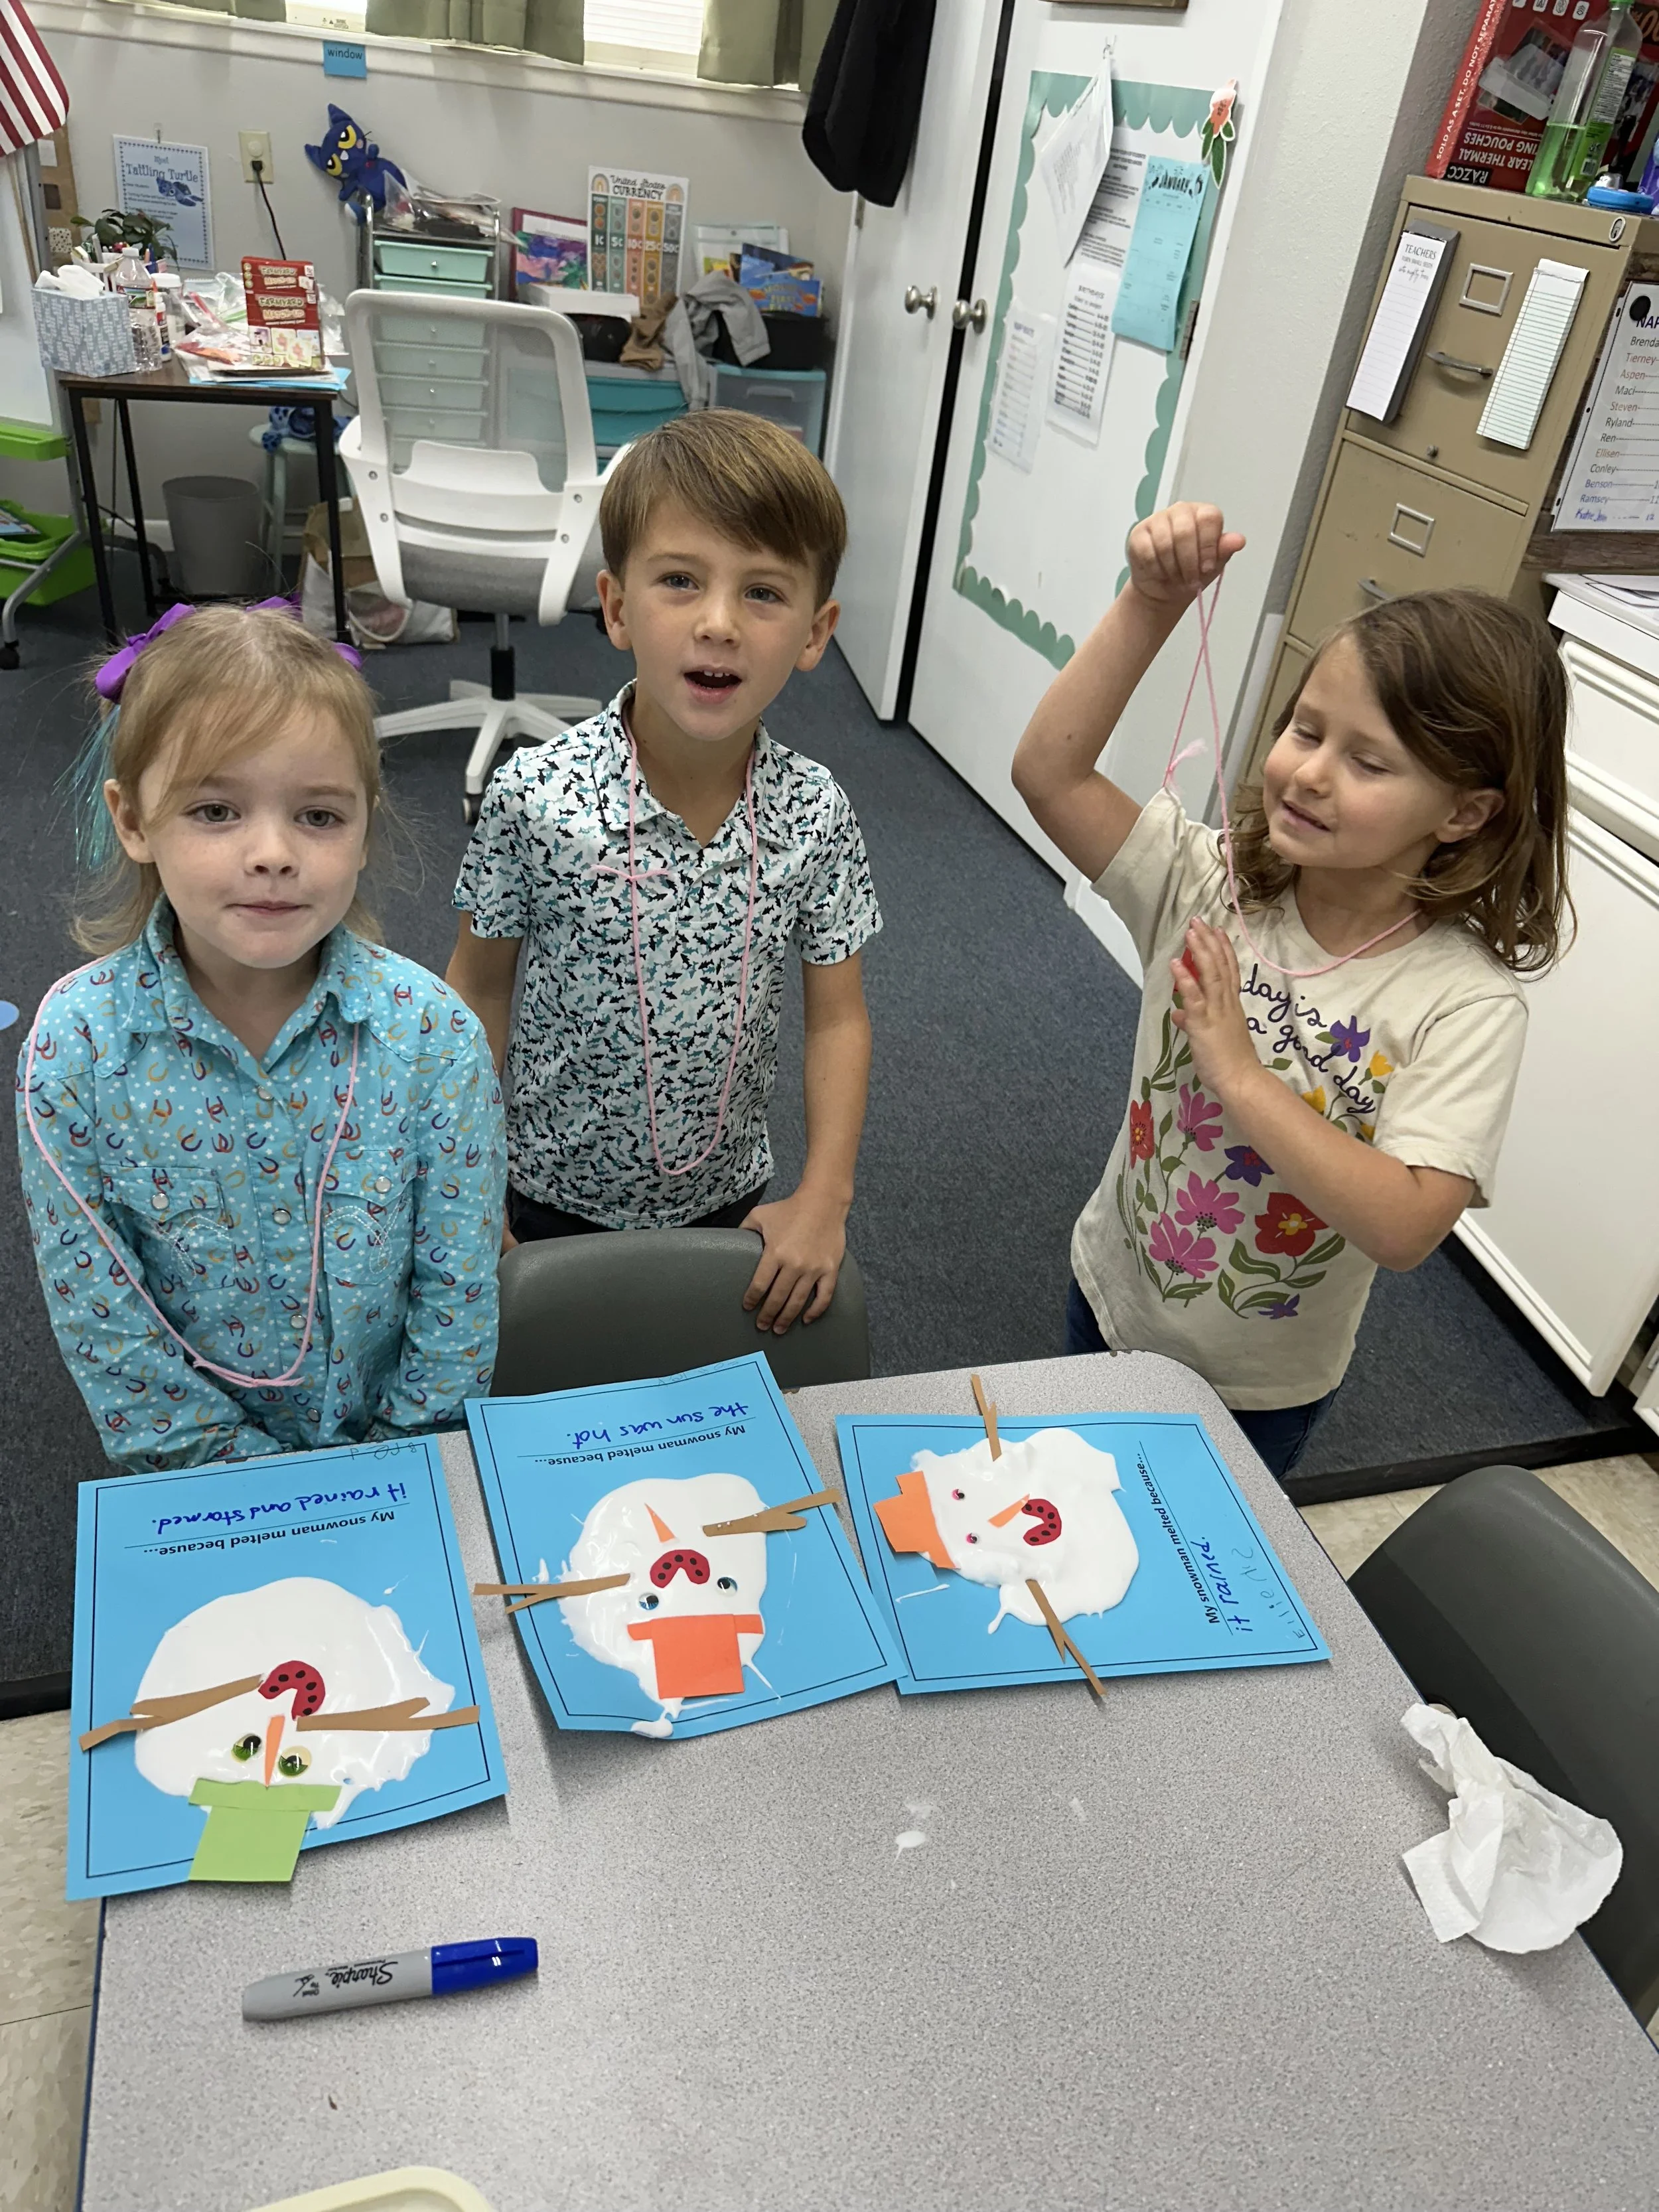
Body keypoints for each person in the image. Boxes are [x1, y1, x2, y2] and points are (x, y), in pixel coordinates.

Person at [1012, 502, 1569, 1479]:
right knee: (1066, 1501)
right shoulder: (1214, 886)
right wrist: (1150, 603)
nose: (1309, 774)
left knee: (1184, 1588)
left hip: (1255, 1392)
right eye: (1306, 729)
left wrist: (1241, 1073)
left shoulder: (1463, 1004)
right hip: (1111, 1294)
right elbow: (1049, 774)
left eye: (1368, 761)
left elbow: (1403, 1225)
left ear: (1465, 812)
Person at [17, 602, 506, 1472]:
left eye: (319, 816)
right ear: (133, 821)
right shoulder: (77, 1049)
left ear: (363, 825)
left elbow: (457, 1294)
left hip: (400, 1458)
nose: (273, 852)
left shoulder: (433, 1037)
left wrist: (401, 1460)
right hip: (199, 1482)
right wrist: (235, 1482)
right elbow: (103, 1316)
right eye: (216, 811)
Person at [447, 409, 881, 1336]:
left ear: (816, 631)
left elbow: (838, 1017)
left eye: (765, 593)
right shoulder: (534, 796)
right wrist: (467, 1186)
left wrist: (825, 1199)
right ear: (615, 607)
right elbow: (476, 997)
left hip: (730, 1199)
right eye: (680, 581)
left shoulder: (817, 811)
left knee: (699, 1431)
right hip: (545, 1193)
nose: (718, 623)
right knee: (552, 1413)